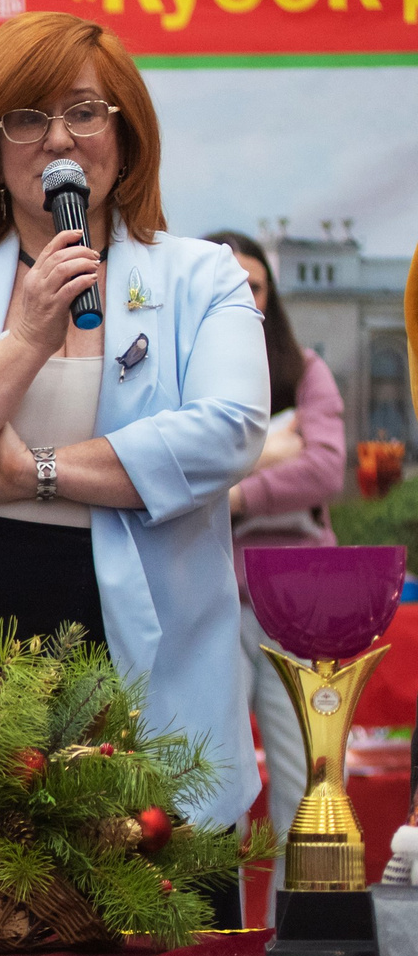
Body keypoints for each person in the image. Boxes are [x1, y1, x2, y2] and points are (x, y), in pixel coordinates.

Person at [0, 10, 267, 837]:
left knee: (162, 951)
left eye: (84, 112)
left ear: (125, 133)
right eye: (28, 118)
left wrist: (34, 473)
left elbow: (229, 430)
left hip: (142, 658)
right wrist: (31, 336)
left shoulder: (200, 275)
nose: (59, 140)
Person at [210, 228, 343, 883]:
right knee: (211, 779)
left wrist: (233, 495)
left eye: (255, 284)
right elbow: (154, 461)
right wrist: (272, 448)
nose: (244, 296)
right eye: (228, 281)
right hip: (208, 595)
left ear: (272, 295)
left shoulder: (303, 368)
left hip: (296, 599)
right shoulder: (177, 365)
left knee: (306, 778)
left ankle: (306, 932)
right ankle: (210, 941)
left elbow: (325, 468)